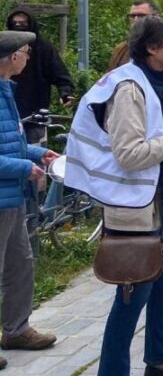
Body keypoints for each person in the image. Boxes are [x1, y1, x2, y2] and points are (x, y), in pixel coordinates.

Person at [66, 19, 163, 376]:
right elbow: (129, 154)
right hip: (139, 205)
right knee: (135, 289)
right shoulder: (129, 88)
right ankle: (112, 370)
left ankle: (159, 358)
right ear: (151, 48)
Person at [0, 31, 59, 371]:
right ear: (10, 57)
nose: (27, 56)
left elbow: (9, 144)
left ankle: (16, 330)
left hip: (11, 197)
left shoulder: (7, 90)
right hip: (2, 196)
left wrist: (38, 153)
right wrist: (27, 167)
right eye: (24, 51)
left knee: (20, 264)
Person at [5, 11, 74, 141]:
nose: (18, 26)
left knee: (35, 150)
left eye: (23, 23)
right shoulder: (5, 47)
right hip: (6, 117)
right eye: (15, 23)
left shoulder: (44, 48)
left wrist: (65, 93)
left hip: (34, 116)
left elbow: (60, 74)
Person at [108, 0, 160, 70]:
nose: (135, 19)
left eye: (141, 16)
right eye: (132, 16)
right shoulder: (121, 50)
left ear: (156, 18)